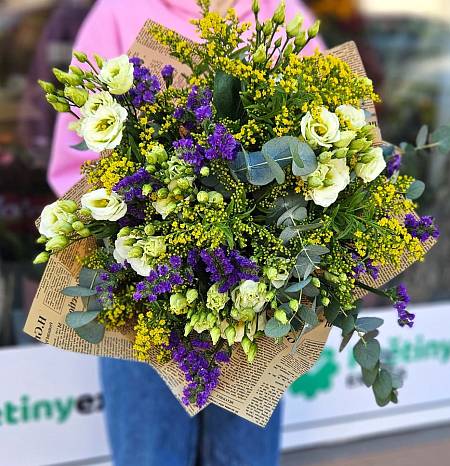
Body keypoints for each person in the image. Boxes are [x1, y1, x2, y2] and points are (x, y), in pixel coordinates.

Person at [48, 1, 323, 465]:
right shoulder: (117, 14)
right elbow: (76, 162)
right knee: (149, 454)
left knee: (244, 457)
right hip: (143, 297)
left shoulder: (280, 13)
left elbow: (330, 153)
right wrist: (148, 223)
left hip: (258, 302)